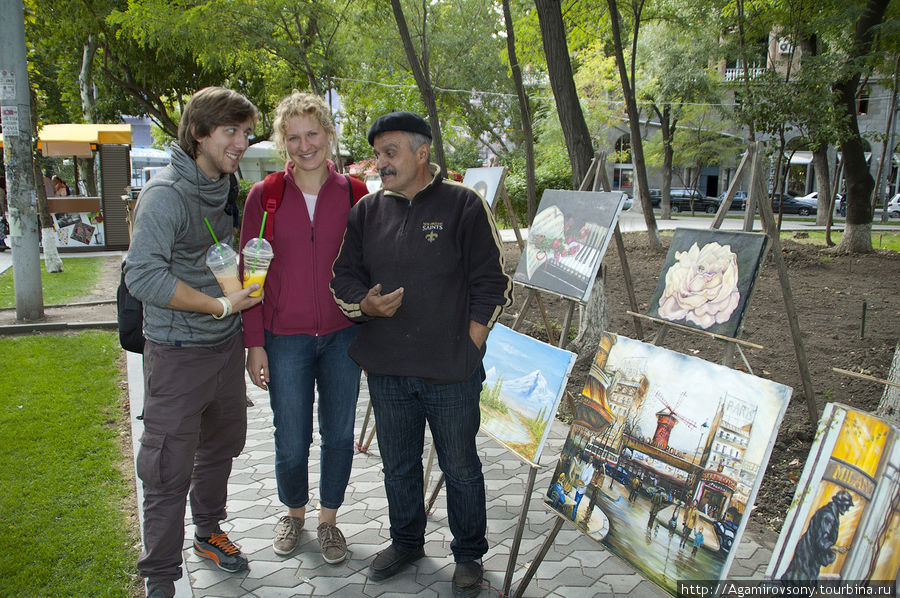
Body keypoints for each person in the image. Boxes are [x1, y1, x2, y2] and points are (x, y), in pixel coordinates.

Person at [330, 111, 512, 597]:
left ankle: (469, 554)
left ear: (421, 152)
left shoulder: (464, 205)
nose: (381, 163)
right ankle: (407, 541)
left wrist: (469, 345)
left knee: (460, 466)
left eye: (390, 153)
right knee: (399, 465)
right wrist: (364, 304)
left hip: (450, 371)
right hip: (388, 370)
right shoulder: (366, 211)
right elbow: (342, 277)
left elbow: (492, 284)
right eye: (378, 154)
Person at [124, 86, 262, 598]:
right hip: (178, 353)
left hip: (224, 350)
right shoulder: (165, 195)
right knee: (166, 468)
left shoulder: (223, 184)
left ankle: (208, 533)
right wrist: (216, 306)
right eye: (232, 132)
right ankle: (160, 577)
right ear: (200, 132)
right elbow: (142, 275)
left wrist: (240, 321)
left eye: (246, 133)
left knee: (221, 447)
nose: (242, 144)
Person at [241, 91, 368, 563]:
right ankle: (294, 513)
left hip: (343, 337)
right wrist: (255, 344)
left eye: (312, 133)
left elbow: (370, 269)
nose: (304, 144)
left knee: (338, 434)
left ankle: (328, 519)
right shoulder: (266, 196)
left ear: (329, 134)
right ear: (282, 142)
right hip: (285, 338)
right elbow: (248, 277)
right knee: (291, 436)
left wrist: (373, 334)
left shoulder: (356, 194)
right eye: (293, 136)